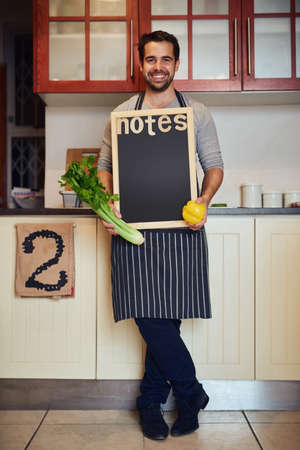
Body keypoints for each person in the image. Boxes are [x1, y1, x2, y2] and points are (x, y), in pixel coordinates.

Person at [98, 30, 224, 441]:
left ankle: (151, 401)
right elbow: (104, 165)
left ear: (176, 63)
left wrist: (203, 201)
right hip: (133, 229)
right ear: (141, 63)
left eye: (165, 59)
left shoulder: (197, 112)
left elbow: (215, 166)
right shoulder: (121, 114)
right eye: (151, 59)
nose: (158, 67)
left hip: (182, 229)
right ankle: (191, 393)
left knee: (168, 318)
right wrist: (108, 200)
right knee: (149, 315)